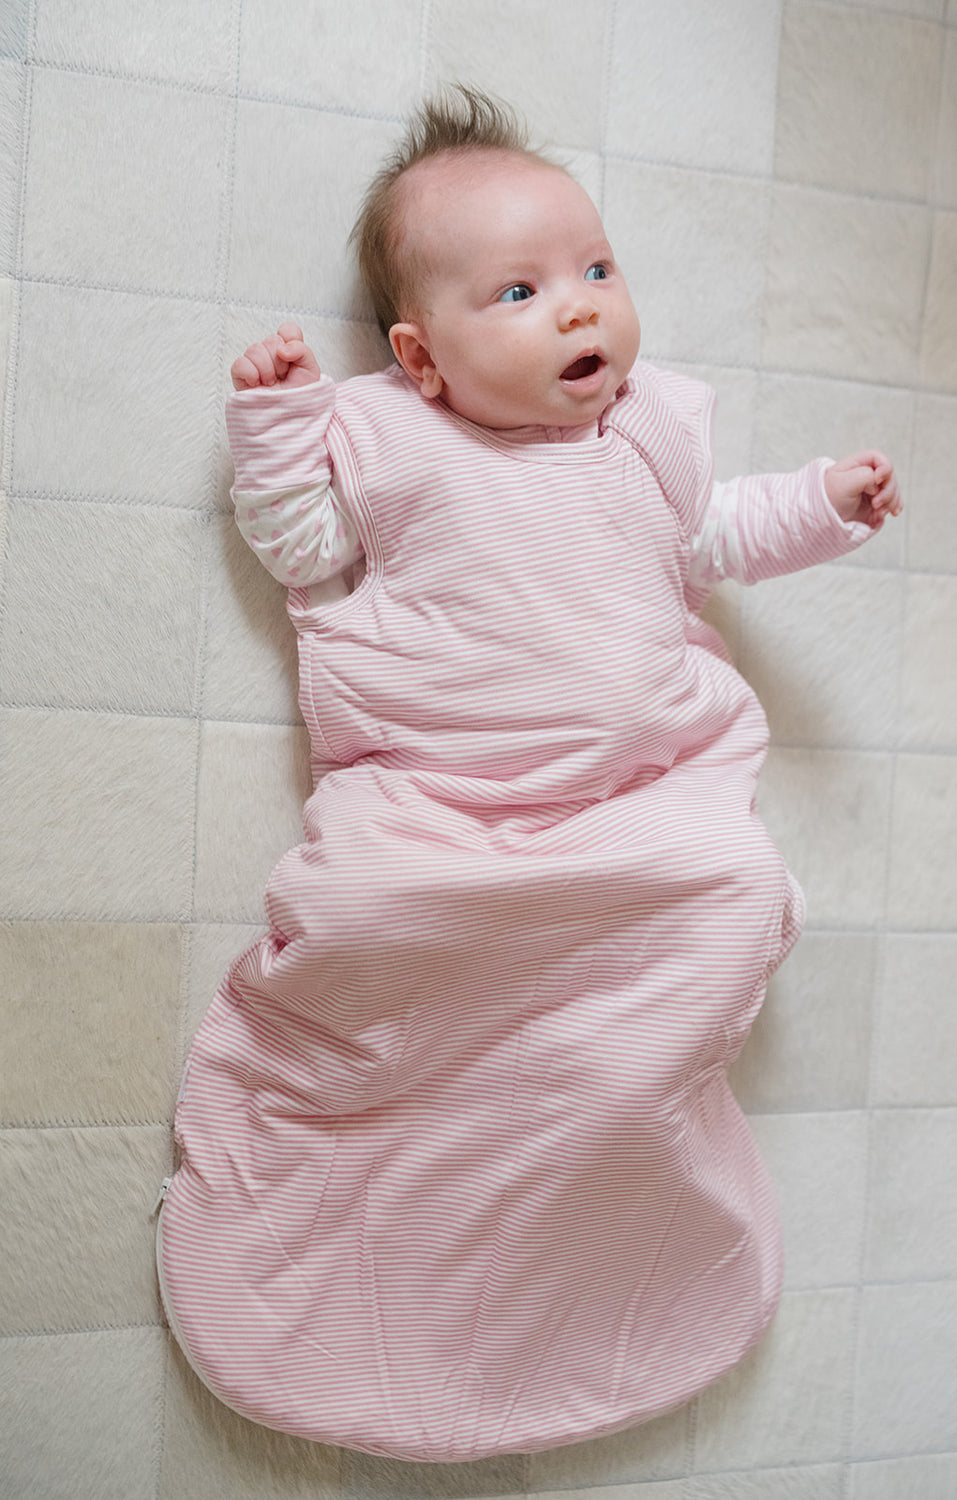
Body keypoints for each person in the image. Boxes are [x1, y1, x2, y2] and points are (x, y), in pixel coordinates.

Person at [156, 87, 901, 1463]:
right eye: (520, 291)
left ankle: (615, 1120)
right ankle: (384, 1177)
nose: (580, 310)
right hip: (440, 813)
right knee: (370, 912)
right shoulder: (388, 436)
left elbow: (725, 535)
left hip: (634, 810)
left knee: (737, 887)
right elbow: (302, 545)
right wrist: (273, 422)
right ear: (422, 359)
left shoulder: (646, 442)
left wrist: (825, 505)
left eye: (597, 269)